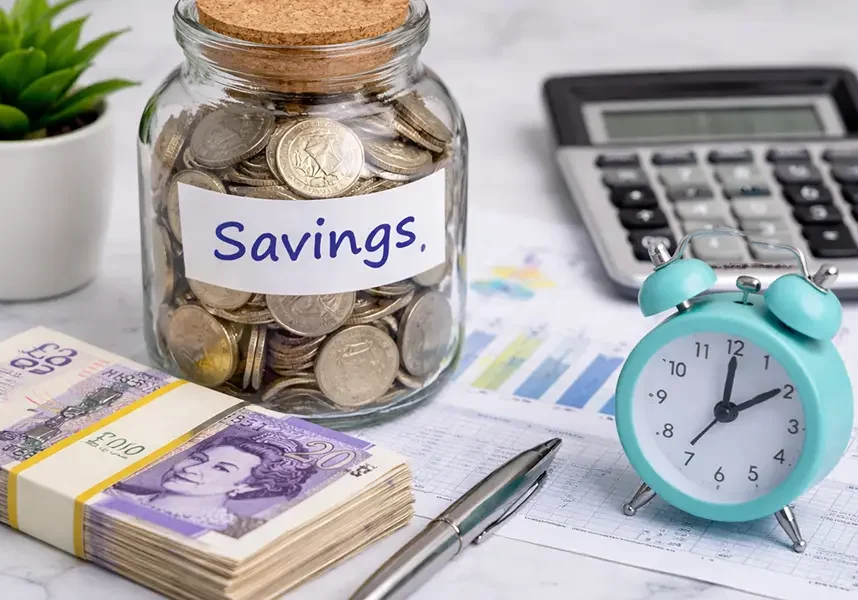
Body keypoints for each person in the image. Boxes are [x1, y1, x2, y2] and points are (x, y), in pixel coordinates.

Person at [108, 434, 317, 534]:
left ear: (247, 486)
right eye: (198, 459)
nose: (191, 469)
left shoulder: (235, 531)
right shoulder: (114, 492)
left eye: (221, 468)